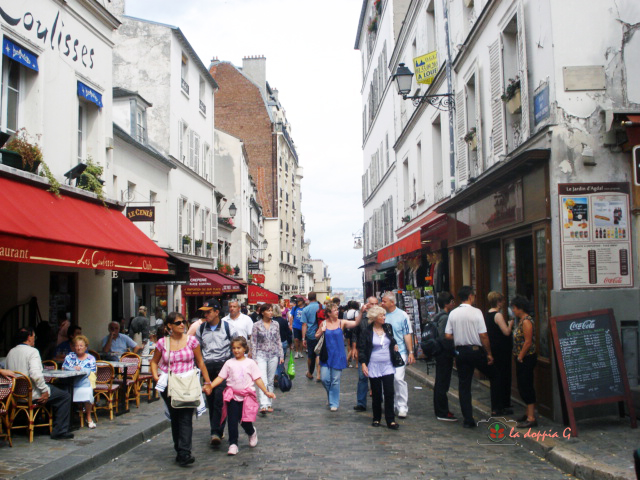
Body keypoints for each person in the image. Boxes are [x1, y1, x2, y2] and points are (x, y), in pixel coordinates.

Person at [150, 312, 213, 467]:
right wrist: (156, 376)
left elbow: (200, 361)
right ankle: (179, 449)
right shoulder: (162, 343)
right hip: (169, 384)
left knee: (185, 416)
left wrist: (207, 382)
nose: (182, 325)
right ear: (169, 326)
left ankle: (184, 452)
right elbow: (154, 361)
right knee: (176, 417)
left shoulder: (192, 341)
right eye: (178, 323)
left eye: (183, 322)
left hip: (188, 383)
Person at [209, 336, 275, 456]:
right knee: (232, 420)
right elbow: (221, 377)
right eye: (234, 348)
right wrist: (211, 386)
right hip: (232, 396)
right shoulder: (229, 363)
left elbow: (258, 379)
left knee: (244, 420)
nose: (236, 350)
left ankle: (251, 432)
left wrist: (266, 392)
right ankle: (233, 444)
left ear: (245, 348)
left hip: (246, 397)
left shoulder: (250, 363)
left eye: (239, 348)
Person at [6, 327, 74, 440]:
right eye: (33, 336)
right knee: (65, 396)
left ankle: (40, 423)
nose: (34, 339)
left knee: (55, 392)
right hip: (32, 393)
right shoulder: (33, 352)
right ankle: (60, 430)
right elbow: (35, 375)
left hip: (16, 394)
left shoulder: (11, 352)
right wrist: (44, 390)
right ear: (29, 337)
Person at [444, 286, 496, 428]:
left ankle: (468, 419)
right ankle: (496, 408)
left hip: (461, 352)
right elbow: (483, 335)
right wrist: (489, 353)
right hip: (475, 351)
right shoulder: (477, 312)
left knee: (464, 385)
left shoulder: (453, 313)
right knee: (494, 375)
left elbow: (448, 335)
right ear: (471, 296)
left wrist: (460, 337)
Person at [194, 298, 232, 447]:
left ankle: (216, 431)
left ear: (217, 312)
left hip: (223, 366)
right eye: (204, 312)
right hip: (207, 368)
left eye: (208, 312)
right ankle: (216, 429)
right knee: (210, 399)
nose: (206, 315)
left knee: (220, 399)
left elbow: (237, 346)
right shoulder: (201, 329)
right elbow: (197, 349)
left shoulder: (228, 328)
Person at [357, 305, 400, 430]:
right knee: (376, 393)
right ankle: (376, 418)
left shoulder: (388, 328)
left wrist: (395, 345)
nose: (384, 318)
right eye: (382, 315)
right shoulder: (367, 331)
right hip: (374, 365)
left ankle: (390, 420)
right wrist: (364, 364)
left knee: (389, 392)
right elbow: (363, 349)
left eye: (384, 315)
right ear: (375, 318)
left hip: (388, 364)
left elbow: (392, 339)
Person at [315, 303, 361, 410]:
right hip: (326, 355)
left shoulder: (342, 322)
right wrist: (321, 331)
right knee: (325, 379)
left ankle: (333, 403)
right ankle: (331, 395)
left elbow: (356, 323)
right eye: (335, 310)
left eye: (337, 310)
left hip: (338, 355)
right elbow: (316, 336)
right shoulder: (324, 323)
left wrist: (362, 311)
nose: (337, 312)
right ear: (329, 313)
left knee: (335, 380)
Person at [381, 293, 415, 418]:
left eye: (384, 301)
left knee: (398, 378)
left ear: (392, 302)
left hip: (399, 352)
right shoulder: (381, 315)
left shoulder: (402, 315)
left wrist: (410, 352)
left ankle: (402, 406)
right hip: (384, 352)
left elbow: (407, 334)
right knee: (387, 379)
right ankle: (391, 404)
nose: (382, 303)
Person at [484, 291, 514, 416]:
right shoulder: (498, 316)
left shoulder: (486, 315)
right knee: (502, 377)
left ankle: (498, 405)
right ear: (498, 302)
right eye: (501, 301)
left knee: (496, 377)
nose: (502, 303)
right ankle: (500, 406)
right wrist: (511, 322)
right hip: (501, 350)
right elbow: (506, 332)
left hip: (493, 348)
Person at [250, 303, 284, 414]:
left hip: (273, 354)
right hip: (261, 354)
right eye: (268, 310)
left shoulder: (276, 324)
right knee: (262, 379)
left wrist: (281, 355)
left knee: (270, 380)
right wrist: (254, 357)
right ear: (263, 312)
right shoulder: (256, 325)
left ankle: (269, 403)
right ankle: (263, 404)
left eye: (271, 310)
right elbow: (253, 342)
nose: (271, 312)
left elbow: (278, 340)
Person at [511, 295, 538, 428]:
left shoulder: (526, 321)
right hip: (521, 357)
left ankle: (531, 417)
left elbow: (527, 342)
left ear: (520, 308)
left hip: (526, 358)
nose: (513, 310)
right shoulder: (520, 320)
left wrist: (520, 356)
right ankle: (528, 413)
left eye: (514, 308)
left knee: (526, 386)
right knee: (523, 385)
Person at [62, 334, 97, 429]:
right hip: (70, 383)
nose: (78, 348)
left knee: (88, 392)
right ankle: (67, 418)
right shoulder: (70, 356)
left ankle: (88, 417)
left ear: (86, 347)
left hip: (83, 383)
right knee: (63, 393)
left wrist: (78, 369)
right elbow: (64, 368)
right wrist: (73, 368)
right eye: (76, 345)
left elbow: (91, 371)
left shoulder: (90, 358)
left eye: (81, 346)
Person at [432, 292, 458, 422]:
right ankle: (442, 411)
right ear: (447, 304)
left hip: (439, 352)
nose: (454, 304)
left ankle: (440, 410)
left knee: (440, 382)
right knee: (442, 382)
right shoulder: (445, 317)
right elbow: (443, 336)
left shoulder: (438, 316)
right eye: (452, 302)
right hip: (443, 353)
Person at [351, 297, 378, 412]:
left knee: (377, 378)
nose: (374, 306)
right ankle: (361, 403)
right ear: (367, 305)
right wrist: (354, 348)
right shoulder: (362, 318)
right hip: (364, 351)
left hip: (377, 352)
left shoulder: (381, 318)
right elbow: (355, 333)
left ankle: (378, 401)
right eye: (372, 304)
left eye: (376, 304)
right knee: (362, 378)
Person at [301, 292, 321, 380]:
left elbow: (304, 324)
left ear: (308, 298)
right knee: (319, 354)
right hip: (321, 334)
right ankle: (319, 374)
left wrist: (303, 338)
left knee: (310, 355)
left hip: (311, 334)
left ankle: (310, 372)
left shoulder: (305, 309)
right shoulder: (322, 307)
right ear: (316, 297)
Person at [272, 304, 292, 377]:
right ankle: (280, 374)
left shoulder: (271, 321)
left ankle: (276, 373)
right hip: (283, 342)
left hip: (273, 344)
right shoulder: (284, 321)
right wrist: (290, 343)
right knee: (281, 360)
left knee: (274, 360)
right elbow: (288, 333)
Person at [344, 301, 359, 368]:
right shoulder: (356, 312)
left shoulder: (346, 312)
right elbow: (356, 321)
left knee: (349, 345)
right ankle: (355, 362)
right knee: (355, 346)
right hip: (354, 330)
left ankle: (349, 360)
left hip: (347, 329)